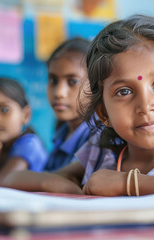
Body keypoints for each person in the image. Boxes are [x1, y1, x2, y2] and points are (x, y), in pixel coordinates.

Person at [4, 15, 154, 200]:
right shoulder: (99, 156)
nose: (145, 105)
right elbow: (13, 179)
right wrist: (60, 185)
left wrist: (127, 184)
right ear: (103, 113)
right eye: (124, 92)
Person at [44, 37, 93, 172]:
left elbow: (61, 181)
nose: (59, 93)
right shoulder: (63, 132)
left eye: (73, 81)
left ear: (96, 86)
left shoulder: (100, 135)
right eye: (53, 80)